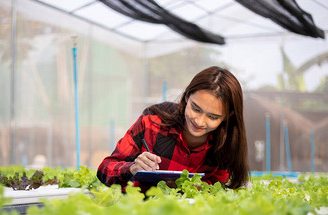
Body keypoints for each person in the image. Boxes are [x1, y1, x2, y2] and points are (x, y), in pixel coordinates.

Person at [97, 66, 249, 192]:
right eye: (195, 108)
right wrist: (132, 168)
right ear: (187, 96)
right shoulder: (154, 120)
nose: (200, 122)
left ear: (227, 117)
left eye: (213, 117)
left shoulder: (225, 143)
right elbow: (104, 170)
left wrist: (196, 188)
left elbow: (217, 188)